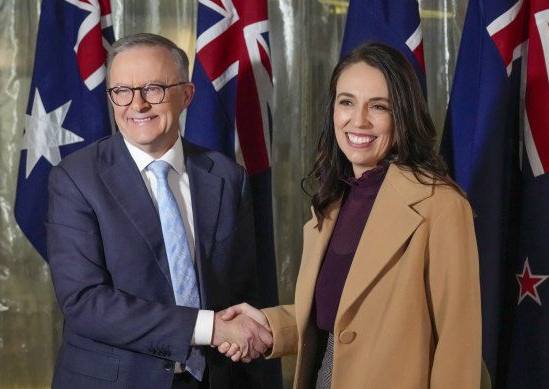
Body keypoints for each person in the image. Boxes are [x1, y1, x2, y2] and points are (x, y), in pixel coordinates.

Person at [219, 42, 482, 388]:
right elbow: (337, 315)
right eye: (347, 102)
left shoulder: (441, 205)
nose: (358, 121)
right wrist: (267, 326)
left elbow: (458, 341)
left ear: (403, 115)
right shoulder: (332, 200)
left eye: (378, 106)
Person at [45, 33, 273, 389]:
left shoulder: (228, 177)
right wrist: (211, 328)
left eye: (153, 88)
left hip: (214, 379)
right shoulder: (75, 179)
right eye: (122, 91)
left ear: (186, 94)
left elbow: (242, 288)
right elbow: (85, 302)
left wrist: (240, 335)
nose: (137, 105)